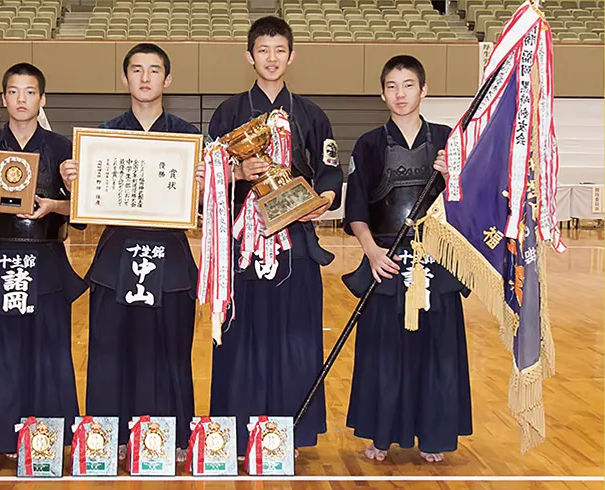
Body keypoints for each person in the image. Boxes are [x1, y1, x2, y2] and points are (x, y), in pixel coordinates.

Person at [60, 43, 204, 462]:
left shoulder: (187, 138)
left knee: (171, 350)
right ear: (124, 79)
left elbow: (205, 211)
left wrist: (204, 184)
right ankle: (110, 436)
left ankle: (173, 436)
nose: (145, 78)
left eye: (154, 70)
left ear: (167, 80)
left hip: (172, 258)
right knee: (109, 352)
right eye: (136, 70)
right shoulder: (102, 137)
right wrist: (75, 184)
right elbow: (82, 218)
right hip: (116, 259)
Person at [206, 16, 343, 457]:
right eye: (262, 50)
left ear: (291, 56)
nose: (271, 58)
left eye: (279, 50)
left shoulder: (312, 114)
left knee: (296, 336)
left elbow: (330, 174)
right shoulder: (227, 113)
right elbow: (207, 177)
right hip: (243, 246)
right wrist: (237, 171)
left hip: (295, 244)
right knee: (240, 335)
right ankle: (238, 429)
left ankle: (292, 432)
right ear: (249, 56)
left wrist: (320, 200)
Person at [342, 55, 472, 464]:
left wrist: (454, 176)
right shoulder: (368, 144)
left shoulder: (449, 140)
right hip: (387, 260)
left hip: (437, 261)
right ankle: (382, 435)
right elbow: (356, 209)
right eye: (393, 86)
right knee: (383, 354)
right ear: (383, 94)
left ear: (424, 90)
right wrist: (371, 251)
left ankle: (434, 434)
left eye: (409, 85)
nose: (401, 94)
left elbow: (468, 206)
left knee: (437, 353)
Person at [0, 63, 84, 456]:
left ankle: (49, 434)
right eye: (13, 92)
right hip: (1, 258)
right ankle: (3, 434)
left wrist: (56, 203)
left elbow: (80, 213)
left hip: (46, 259)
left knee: (49, 349)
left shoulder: (61, 147)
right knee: (1, 352)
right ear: (4, 98)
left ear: (42, 99)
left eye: (30, 92)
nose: (21, 100)